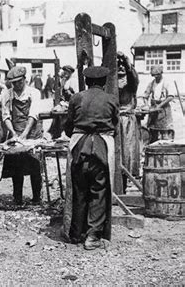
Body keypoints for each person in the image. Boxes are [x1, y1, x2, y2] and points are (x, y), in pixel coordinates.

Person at [64, 66, 119, 250]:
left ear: (86, 81)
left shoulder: (76, 98)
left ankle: (76, 233)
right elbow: (115, 126)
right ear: (104, 83)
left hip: (79, 147)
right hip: (101, 149)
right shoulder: (111, 99)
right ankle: (93, 235)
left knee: (79, 190)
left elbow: (68, 126)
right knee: (99, 190)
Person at [1, 66, 44, 205]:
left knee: (34, 166)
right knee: (16, 167)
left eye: (19, 82)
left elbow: (33, 114)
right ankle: (17, 198)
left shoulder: (34, 93)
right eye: (14, 83)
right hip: (16, 131)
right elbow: (6, 115)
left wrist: (25, 134)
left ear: (25, 79)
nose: (17, 85)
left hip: (32, 133)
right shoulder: (7, 94)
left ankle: (36, 198)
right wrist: (14, 133)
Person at [117, 51, 141, 192]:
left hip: (126, 121)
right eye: (118, 65)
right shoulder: (112, 80)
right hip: (115, 120)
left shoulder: (131, 81)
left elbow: (133, 75)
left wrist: (125, 59)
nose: (120, 68)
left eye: (122, 66)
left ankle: (124, 186)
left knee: (127, 153)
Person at [140, 65, 175, 143]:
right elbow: (145, 96)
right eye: (154, 76)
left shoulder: (167, 82)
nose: (156, 77)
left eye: (157, 75)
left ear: (161, 73)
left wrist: (159, 106)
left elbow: (170, 97)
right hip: (153, 111)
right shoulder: (151, 83)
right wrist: (146, 105)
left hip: (164, 110)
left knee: (165, 134)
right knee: (152, 134)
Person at [48, 65, 76, 139]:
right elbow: (57, 89)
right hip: (64, 101)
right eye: (65, 72)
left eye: (67, 72)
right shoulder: (63, 80)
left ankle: (63, 133)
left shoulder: (73, 81)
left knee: (65, 117)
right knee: (56, 113)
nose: (65, 74)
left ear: (70, 73)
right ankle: (56, 132)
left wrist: (70, 93)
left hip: (71, 102)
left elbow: (76, 94)